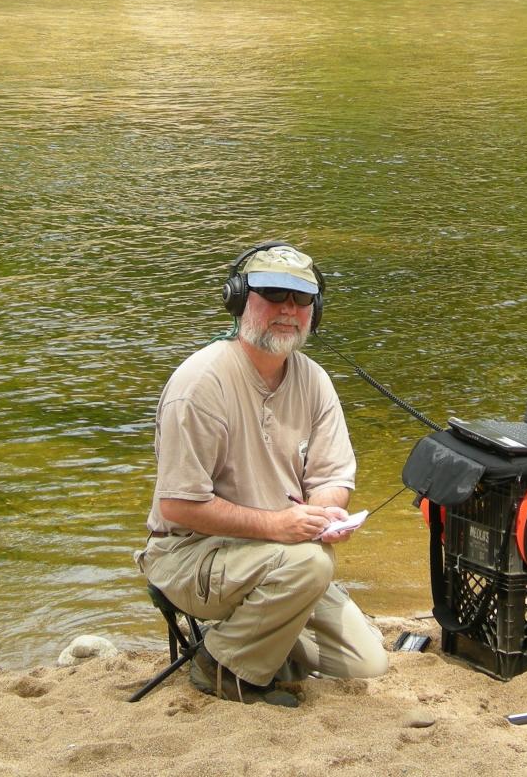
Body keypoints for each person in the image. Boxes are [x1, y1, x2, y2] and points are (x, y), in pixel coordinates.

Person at [135, 241, 388, 707]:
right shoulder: (200, 383)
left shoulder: (315, 380)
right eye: (273, 294)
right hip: (188, 554)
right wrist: (278, 526)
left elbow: (333, 479)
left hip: (279, 558)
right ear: (238, 299)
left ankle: (259, 646)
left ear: (315, 310)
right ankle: (219, 668)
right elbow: (179, 506)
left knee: (366, 662)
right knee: (313, 563)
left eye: (301, 298)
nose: (288, 309)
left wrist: (322, 516)